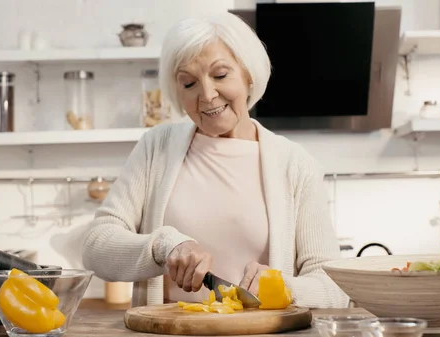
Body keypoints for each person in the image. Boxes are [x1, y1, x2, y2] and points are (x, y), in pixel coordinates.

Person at [81, 11, 349, 309]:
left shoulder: (295, 165)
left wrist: (284, 288)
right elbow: (96, 246)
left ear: (248, 74)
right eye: (188, 83)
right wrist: (163, 246)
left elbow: (334, 288)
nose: (207, 95)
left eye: (220, 75)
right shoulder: (156, 147)